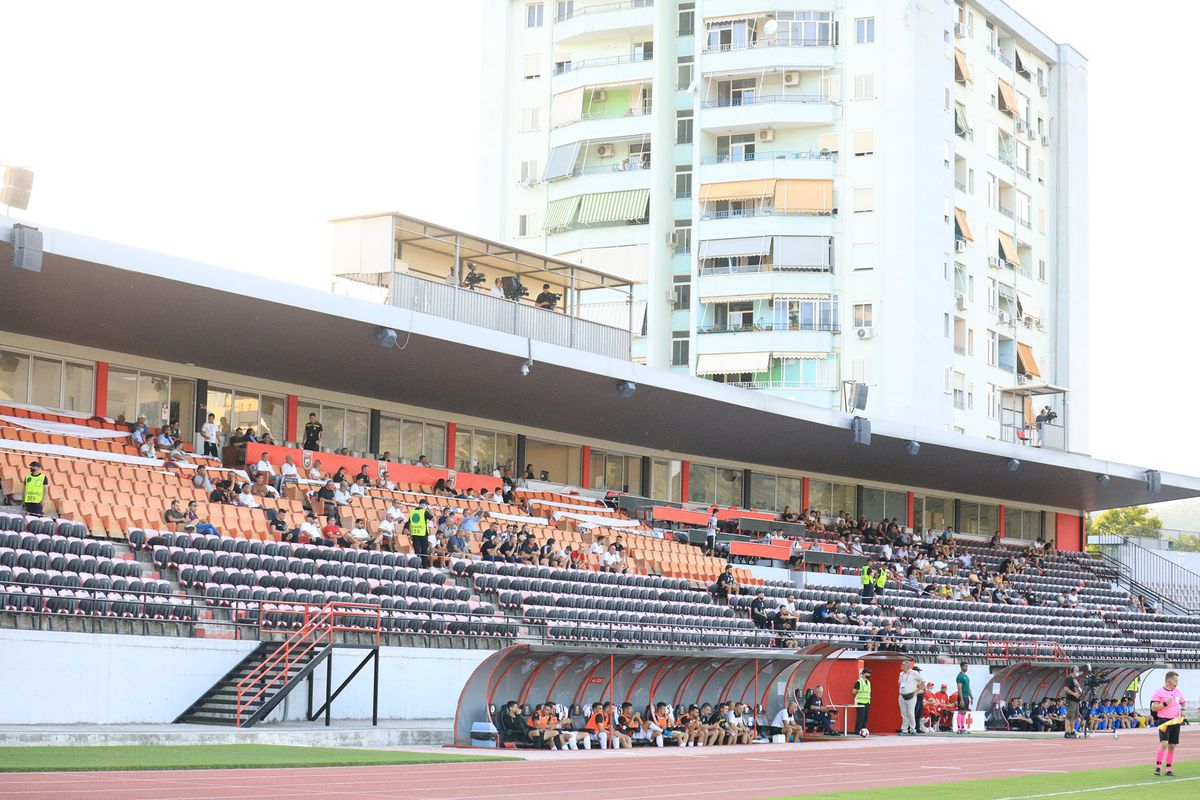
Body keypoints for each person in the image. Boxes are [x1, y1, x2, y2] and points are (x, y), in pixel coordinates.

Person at [1151, 670, 1185, 776]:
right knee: (1164, 744)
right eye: (1175, 680)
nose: (1177, 682)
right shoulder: (1159, 692)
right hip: (1164, 721)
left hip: (1175, 720)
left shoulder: (1178, 691)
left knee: (1172, 745)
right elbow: (1154, 707)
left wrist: (1183, 709)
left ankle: (1168, 770)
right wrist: (1165, 703)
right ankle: (1158, 767)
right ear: (1169, 680)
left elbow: (1183, 703)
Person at [898, 659, 920, 735]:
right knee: (904, 714)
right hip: (902, 696)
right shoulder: (901, 674)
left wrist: (917, 691)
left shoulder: (914, 673)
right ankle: (904, 730)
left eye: (902, 665)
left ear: (907, 666)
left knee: (911, 713)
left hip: (911, 696)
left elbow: (923, 682)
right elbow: (900, 683)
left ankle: (913, 729)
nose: (901, 666)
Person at [1063, 667, 1083, 738]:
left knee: (1074, 717)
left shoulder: (1075, 679)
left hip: (1076, 700)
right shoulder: (1069, 678)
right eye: (1076, 670)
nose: (1078, 671)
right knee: (1069, 716)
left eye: (1078, 670)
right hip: (1071, 700)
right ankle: (1067, 731)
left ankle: (1072, 730)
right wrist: (1074, 694)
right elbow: (1066, 688)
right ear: (1072, 671)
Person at [954, 662, 973, 734]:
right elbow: (959, 688)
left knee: (964, 712)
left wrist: (971, 696)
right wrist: (961, 699)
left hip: (966, 696)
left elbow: (968, 687)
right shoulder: (960, 676)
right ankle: (959, 728)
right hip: (962, 696)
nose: (966, 668)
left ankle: (963, 727)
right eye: (965, 666)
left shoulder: (966, 676)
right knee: (960, 711)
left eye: (967, 666)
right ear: (961, 667)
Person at [853, 667, 872, 735]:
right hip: (860, 702)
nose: (869, 675)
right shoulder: (859, 682)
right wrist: (856, 698)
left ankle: (863, 730)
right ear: (864, 673)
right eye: (868, 673)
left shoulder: (868, 682)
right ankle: (857, 731)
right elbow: (854, 692)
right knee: (860, 718)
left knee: (865, 718)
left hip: (867, 702)